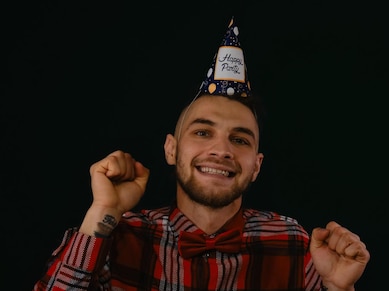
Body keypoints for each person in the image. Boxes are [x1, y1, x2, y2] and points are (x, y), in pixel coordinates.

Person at [33, 17, 370, 291]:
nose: (221, 150)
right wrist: (103, 213)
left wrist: (339, 289)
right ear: (171, 149)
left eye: (240, 140)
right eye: (202, 132)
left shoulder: (293, 243)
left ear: (256, 166)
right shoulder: (118, 236)